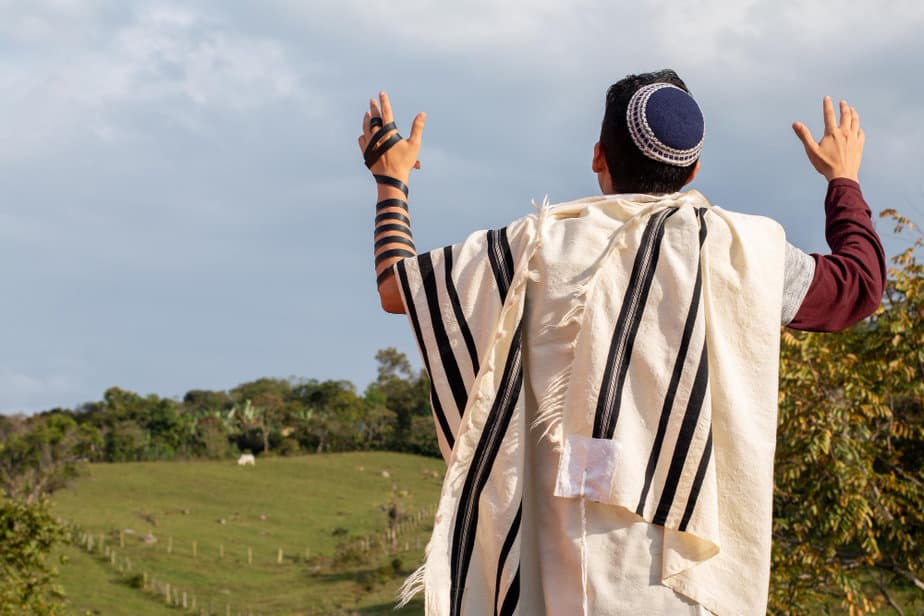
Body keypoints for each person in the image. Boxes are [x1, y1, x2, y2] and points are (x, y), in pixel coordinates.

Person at [357, 69, 884, 615]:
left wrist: (390, 180)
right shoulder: (734, 248)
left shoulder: (534, 246)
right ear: (694, 169)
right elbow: (859, 287)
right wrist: (842, 178)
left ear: (597, 157)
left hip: (557, 573)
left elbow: (398, 286)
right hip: (687, 584)